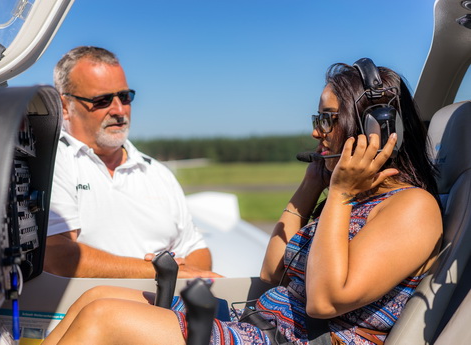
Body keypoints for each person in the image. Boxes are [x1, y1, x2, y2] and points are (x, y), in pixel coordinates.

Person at [42, 59, 442, 344]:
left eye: (328, 119)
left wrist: (338, 194)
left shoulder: (412, 208)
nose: (317, 133)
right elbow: (272, 276)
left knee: (103, 319)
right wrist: (308, 193)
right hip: (264, 324)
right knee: (97, 297)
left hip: (301, 339)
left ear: (375, 130)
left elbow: (324, 302)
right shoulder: (350, 200)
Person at [45, 46, 218, 279]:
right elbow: (58, 256)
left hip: (160, 311)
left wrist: (179, 276)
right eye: (102, 100)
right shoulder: (53, 162)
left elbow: (197, 249)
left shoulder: (157, 173)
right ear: (65, 107)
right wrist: (159, 272)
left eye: (125, 97)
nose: (119, 110)